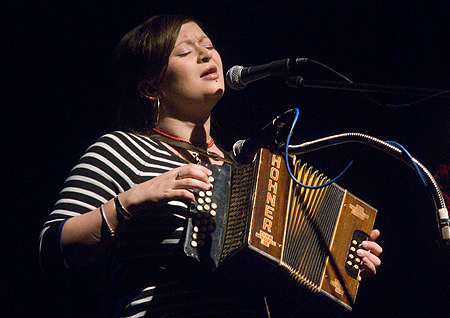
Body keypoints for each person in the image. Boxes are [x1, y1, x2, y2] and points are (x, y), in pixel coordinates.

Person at [39, 15, 382, 318]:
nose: (207, 55)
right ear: (150, 87)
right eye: (185, 52)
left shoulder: (242, 169)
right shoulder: (123, 148)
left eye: (208, 45)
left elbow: (276, 285)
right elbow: (53, 248)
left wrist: (339, 264)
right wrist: (133, 199)